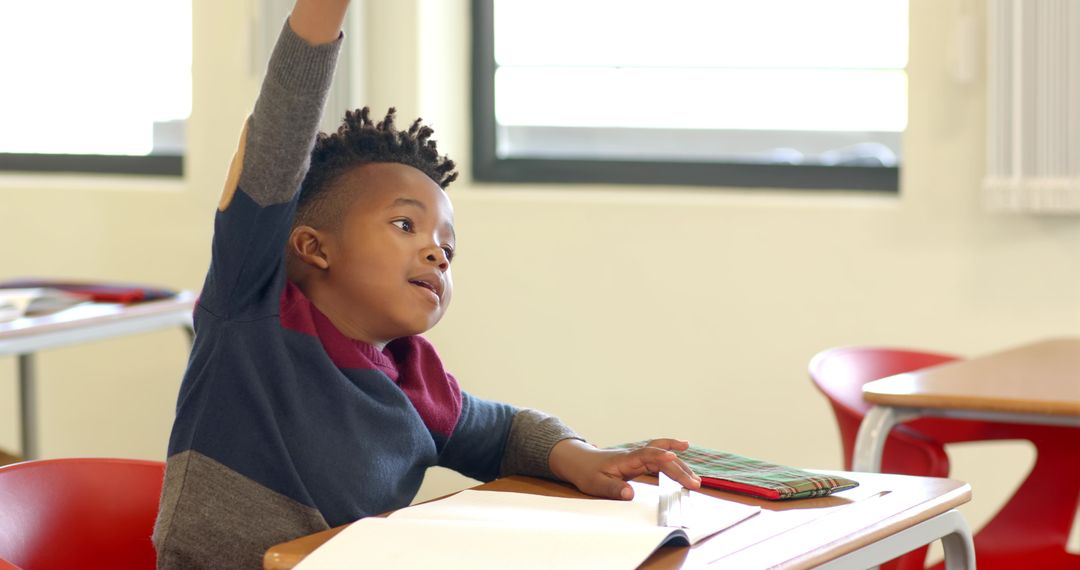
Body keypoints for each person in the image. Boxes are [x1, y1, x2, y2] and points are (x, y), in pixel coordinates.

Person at [153, 1, 700, 567]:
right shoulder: (252, 311)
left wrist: (580, 456)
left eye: (448, 247)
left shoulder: (415, 375)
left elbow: (504, 432)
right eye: (404, 224)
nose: (436, 251)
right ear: (314, 247)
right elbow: (278, 136)